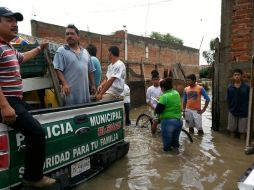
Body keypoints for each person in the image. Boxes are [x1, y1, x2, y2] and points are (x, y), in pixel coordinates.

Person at [0, 7, 56, 187]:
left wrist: (40, 48)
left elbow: (23, 57)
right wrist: (4, 106)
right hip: (7, 101)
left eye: (16, 21)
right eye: (9, 20)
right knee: (37, 132)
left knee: (40, 115)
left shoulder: (7, 47)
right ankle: (33, 177)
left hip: (14, 100)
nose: (14, 24)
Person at [53, 24, 96, 106]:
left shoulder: (85, 52)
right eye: (67, 34)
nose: (69, 36)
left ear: (78, 37)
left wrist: (93, 85)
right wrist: (64, 84)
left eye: (72, 34)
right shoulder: (61, 51)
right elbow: (57, 69)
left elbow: (90, 70)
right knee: (73, 114)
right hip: (70, 93)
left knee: (85, 112)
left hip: (85, 93)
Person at [155, 77, 183, 151]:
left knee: (167, 146)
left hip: (168, 122)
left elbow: (158, 110)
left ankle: (168, 160)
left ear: (163, 88)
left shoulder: (164, 97)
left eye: (161, 88)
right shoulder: (176, 93)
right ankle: (177, 158)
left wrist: (159, 101)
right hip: (179, 121)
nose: (160, 89)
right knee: (175, 144)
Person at [227, 69, 249, 140]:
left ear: (241, 76)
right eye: (235, 75)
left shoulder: (246, 87)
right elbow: (228, 100)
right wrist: (230, 108)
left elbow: (249, 99)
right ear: (233, 77)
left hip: (244, 112)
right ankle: (232, 147)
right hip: (232, 111)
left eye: (238, 75)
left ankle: (240, 148)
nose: (236, 76)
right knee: (232, 131)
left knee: (242, 132)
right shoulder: (230, 88)